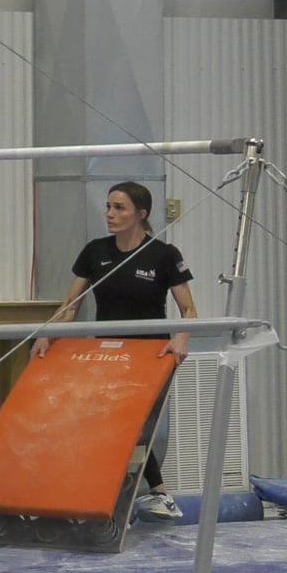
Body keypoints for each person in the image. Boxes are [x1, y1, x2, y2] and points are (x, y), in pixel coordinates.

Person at [30, 180, 198, 522]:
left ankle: (156, 493)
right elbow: (70, 306)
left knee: (132, 423)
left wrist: (181, 339)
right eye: (108, 206)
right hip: (106, 354)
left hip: (150, 355)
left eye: (119, 208)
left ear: (141, 214)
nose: (110, 214)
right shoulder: (95, 252)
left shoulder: (164, 255)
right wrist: (48, 334)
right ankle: (137, 493)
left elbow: (189, 310)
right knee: (104, 422)